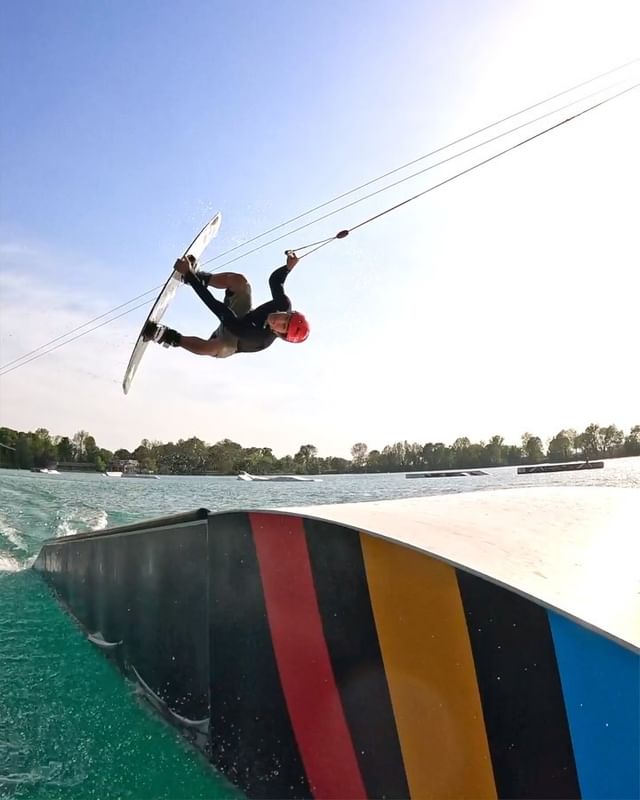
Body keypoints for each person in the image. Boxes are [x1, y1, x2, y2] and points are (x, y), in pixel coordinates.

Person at [143, 251, 309, 358]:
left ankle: (168, 337)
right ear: (289, 312)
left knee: (212, 348)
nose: (279, 320)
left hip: (233, 338)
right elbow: (275, 281)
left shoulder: (259, 337)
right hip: (243, 315)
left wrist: (188, 275)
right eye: (286, 318)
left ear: (280, 334)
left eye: (282, 327)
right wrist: (287, 268)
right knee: (240, 282)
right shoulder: (283, 303)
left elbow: (216, 307)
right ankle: (201, 277)